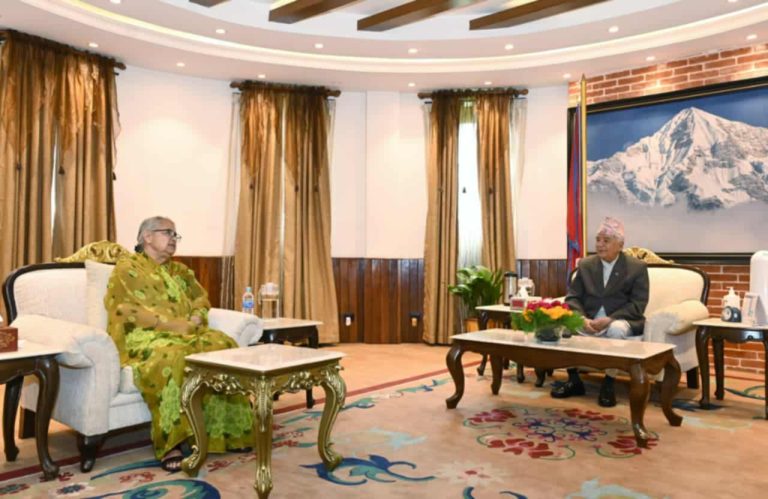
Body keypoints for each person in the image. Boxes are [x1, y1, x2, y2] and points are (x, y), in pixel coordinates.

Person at [105, 216, 253, 471]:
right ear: (147, 236)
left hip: (188, 331)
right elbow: (126, 310)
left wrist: (195, 318)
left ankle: (227, 430)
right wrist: (176, 326)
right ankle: (172, 443)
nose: (174, 239)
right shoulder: (127, 268)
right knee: (173, 355)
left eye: (176, 235)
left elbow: (200, 300)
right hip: (146, 335)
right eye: (168, 233)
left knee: (223, 345)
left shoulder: (181, 271)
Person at [551, 216, 649, 407]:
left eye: (606, 240)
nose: (600, 244)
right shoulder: (586, 265)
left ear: (620, 245)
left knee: (616, 329)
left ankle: (609, 383)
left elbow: (638, 304)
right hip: (589, 320)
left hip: (618, 320)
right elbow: (573, 298)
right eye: (598, 240)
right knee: (565, 323)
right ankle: (574, 380)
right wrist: (581, 318)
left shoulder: (636, 268)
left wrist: (610, 319)